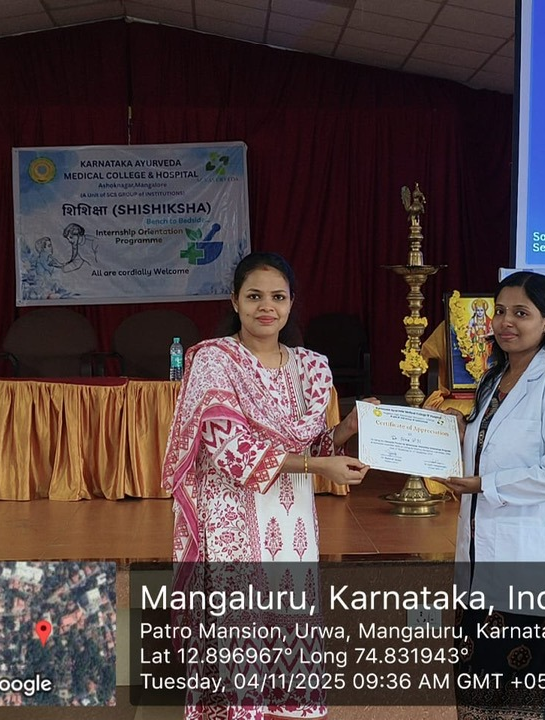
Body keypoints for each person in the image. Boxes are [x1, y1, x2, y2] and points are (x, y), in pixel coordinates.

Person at [161, 251, 371, 720]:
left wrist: (348, 428)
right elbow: (228, 448)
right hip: (231, 514)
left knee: (290, 615)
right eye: (254, 296)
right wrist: (318, 466)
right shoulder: (214, 361)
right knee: (238, 622)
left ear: (292, 303)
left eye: (278, 297)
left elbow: (314, 444)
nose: (266, 307)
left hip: (292, 520)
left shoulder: (311, 368)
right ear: (235, 301)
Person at [436, 271, 545, 720]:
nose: (505, 322)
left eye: (521, 313)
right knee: (480, 695)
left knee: (531, 701)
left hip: (536, 569)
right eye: (500, 311)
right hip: (482, 565)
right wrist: (456, 433)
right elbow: (492, 449)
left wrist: (485, 485)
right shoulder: (494, 380)